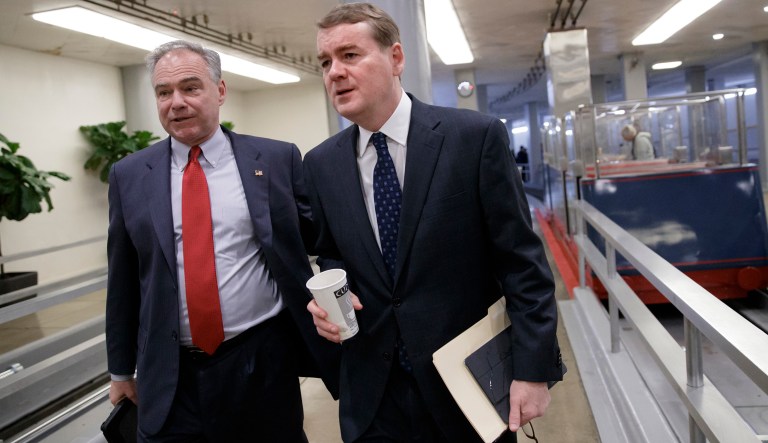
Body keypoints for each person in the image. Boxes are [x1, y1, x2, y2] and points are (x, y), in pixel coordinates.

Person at [303, 4, 564, 443]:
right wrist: (328, 305)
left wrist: (533, 372)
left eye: (350, 55)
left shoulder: (473, 139)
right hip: (373, 396)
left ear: (396, 58)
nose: (334, 72)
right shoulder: (321, 164)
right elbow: (332, 253)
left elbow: (522, 263)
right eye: (326, 62)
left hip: (466, 387)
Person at [105, 39, 340, 442]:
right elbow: (123, 279)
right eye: (164, 92)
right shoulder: (129, 175)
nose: (176, 102)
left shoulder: (275, 160)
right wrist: (121, 370)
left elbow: (321, 239)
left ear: (220, 91)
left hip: (260, 360)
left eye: (190, 88)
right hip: (170, 372)